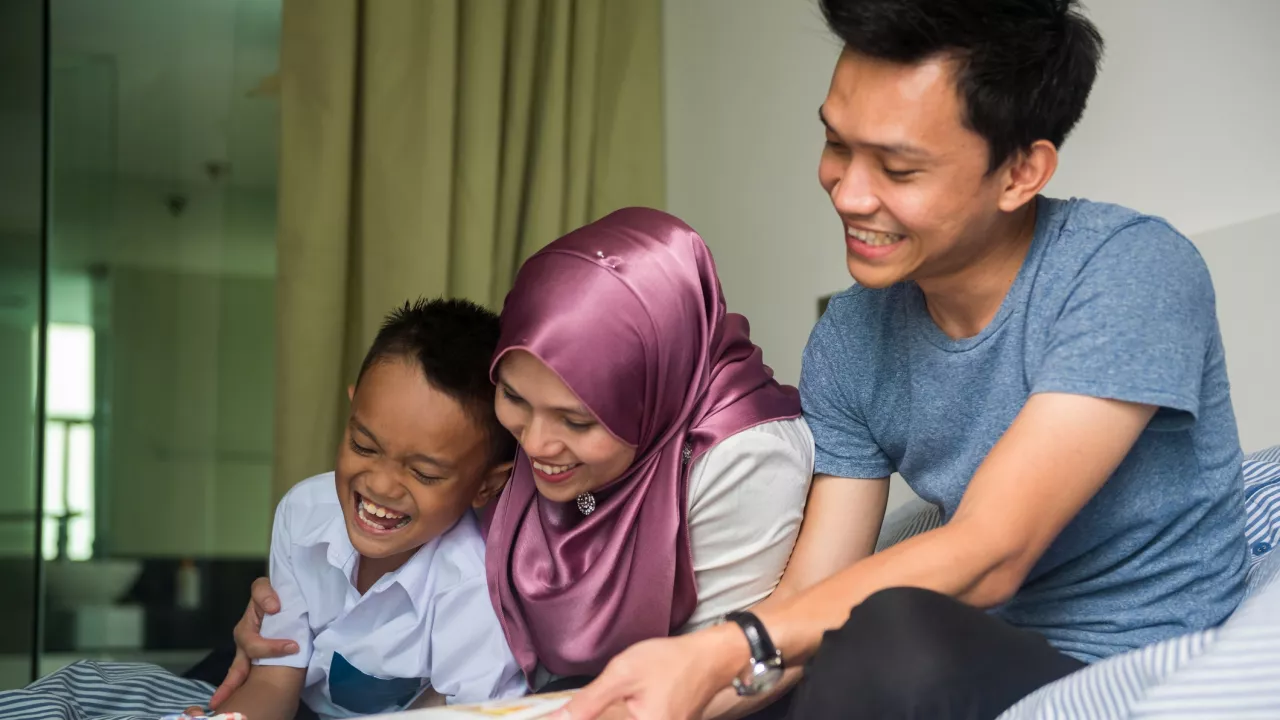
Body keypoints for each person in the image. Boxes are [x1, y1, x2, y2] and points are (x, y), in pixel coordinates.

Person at [555, 1, 1248, 719]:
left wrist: (726, 647)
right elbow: (803, 599)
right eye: (836, 144)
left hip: (1127, 664)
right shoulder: (855, 334)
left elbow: (992, 549)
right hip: (959, 663)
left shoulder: (1129, 269)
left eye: (898, 168)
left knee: (886, 633)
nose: (849, 193)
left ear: (1019, 173)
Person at [216, 208, 815, 715]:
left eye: (577, 421)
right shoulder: (490, 446)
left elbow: (705, 683)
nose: (535, 447)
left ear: (654, 396)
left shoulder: (742, 460)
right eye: (516, 400)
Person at [0, 299, 525, 720]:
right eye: (364, 445)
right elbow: (276, 682)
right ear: (351, 409)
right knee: (78, 687)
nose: (381, 485)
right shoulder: (305, 513)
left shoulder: (471, 586)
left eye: (424, 474)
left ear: (486, 486)